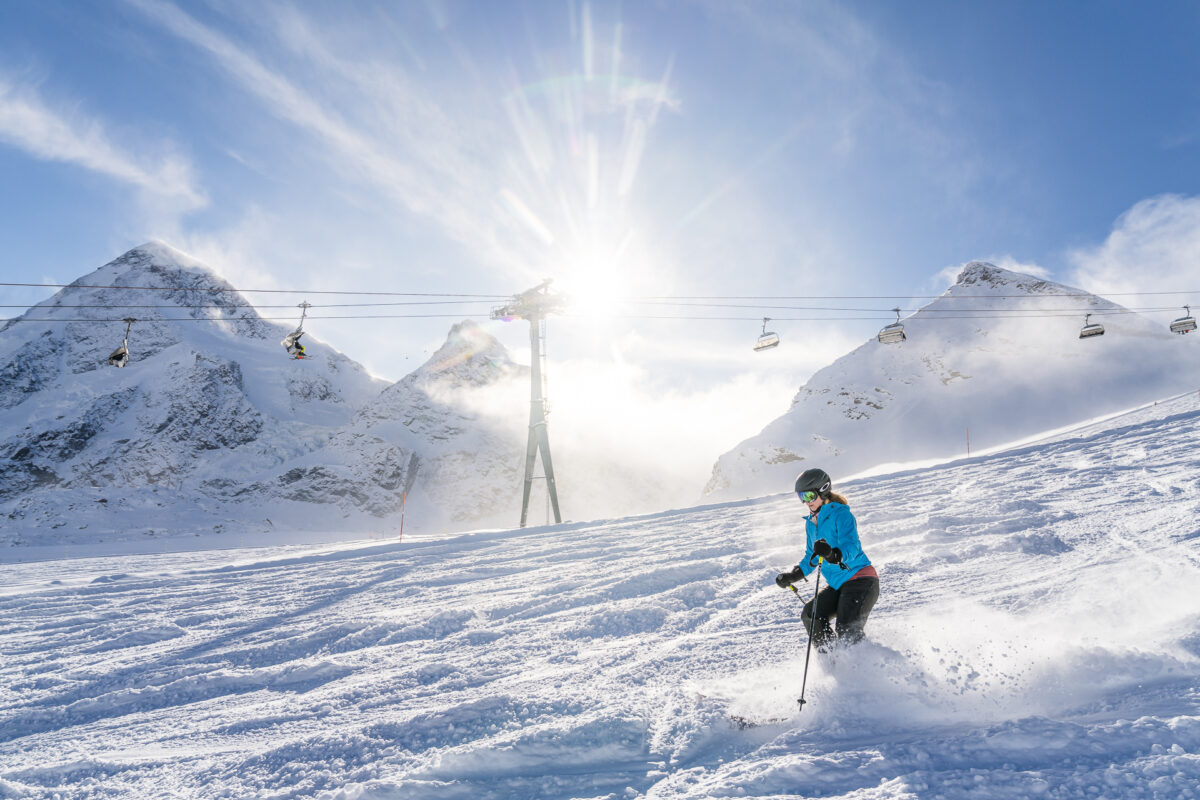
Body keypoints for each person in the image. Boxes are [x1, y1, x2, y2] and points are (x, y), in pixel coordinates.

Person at [775, 468, 879, 650]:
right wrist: (794, 575)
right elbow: (811, 556)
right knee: (810, 615)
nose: (806, 502)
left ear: (822, 490)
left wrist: (833, 554)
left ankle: (866, 666)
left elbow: (852, 546)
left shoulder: (842, 514)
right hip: (837, 584)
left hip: (860, 580)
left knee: (847, 629)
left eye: (809, 496)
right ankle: (833, 661)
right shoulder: (811, 523)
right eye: (802, 497)